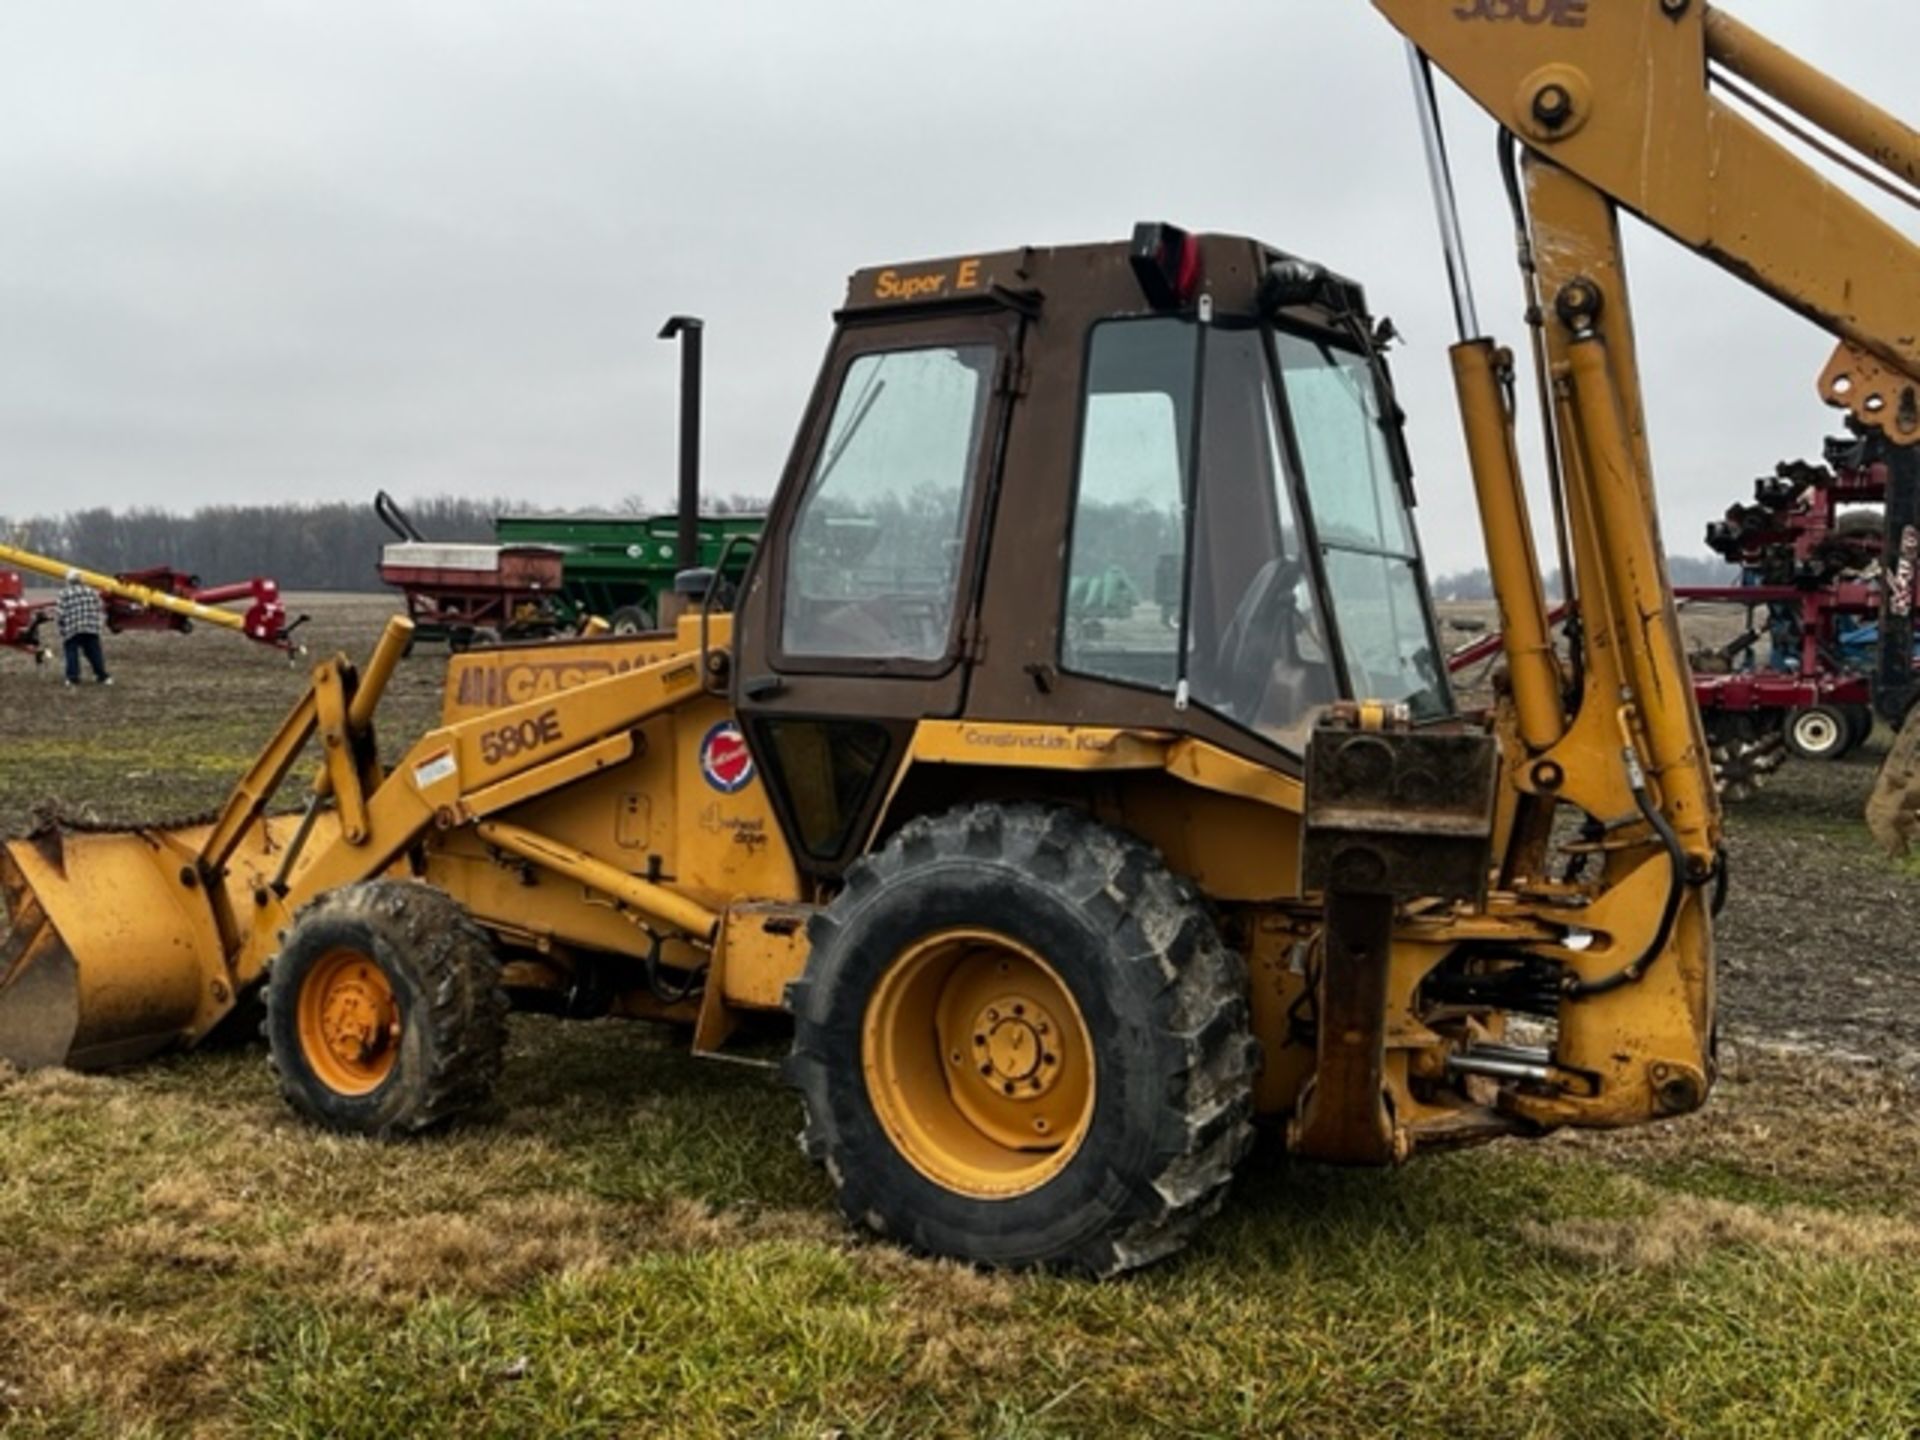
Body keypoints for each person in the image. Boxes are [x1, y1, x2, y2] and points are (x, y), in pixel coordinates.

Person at [55, 569, 112, 687]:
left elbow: (60, 613)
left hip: (72, 627)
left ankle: (72, 678)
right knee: (94, 653)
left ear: (68, 580)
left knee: (71, 652)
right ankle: (103, 677)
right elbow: (100, 608)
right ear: (81, 580)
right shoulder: (92, 592)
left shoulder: (64, 593)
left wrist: (61, 628)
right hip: (91, 627)